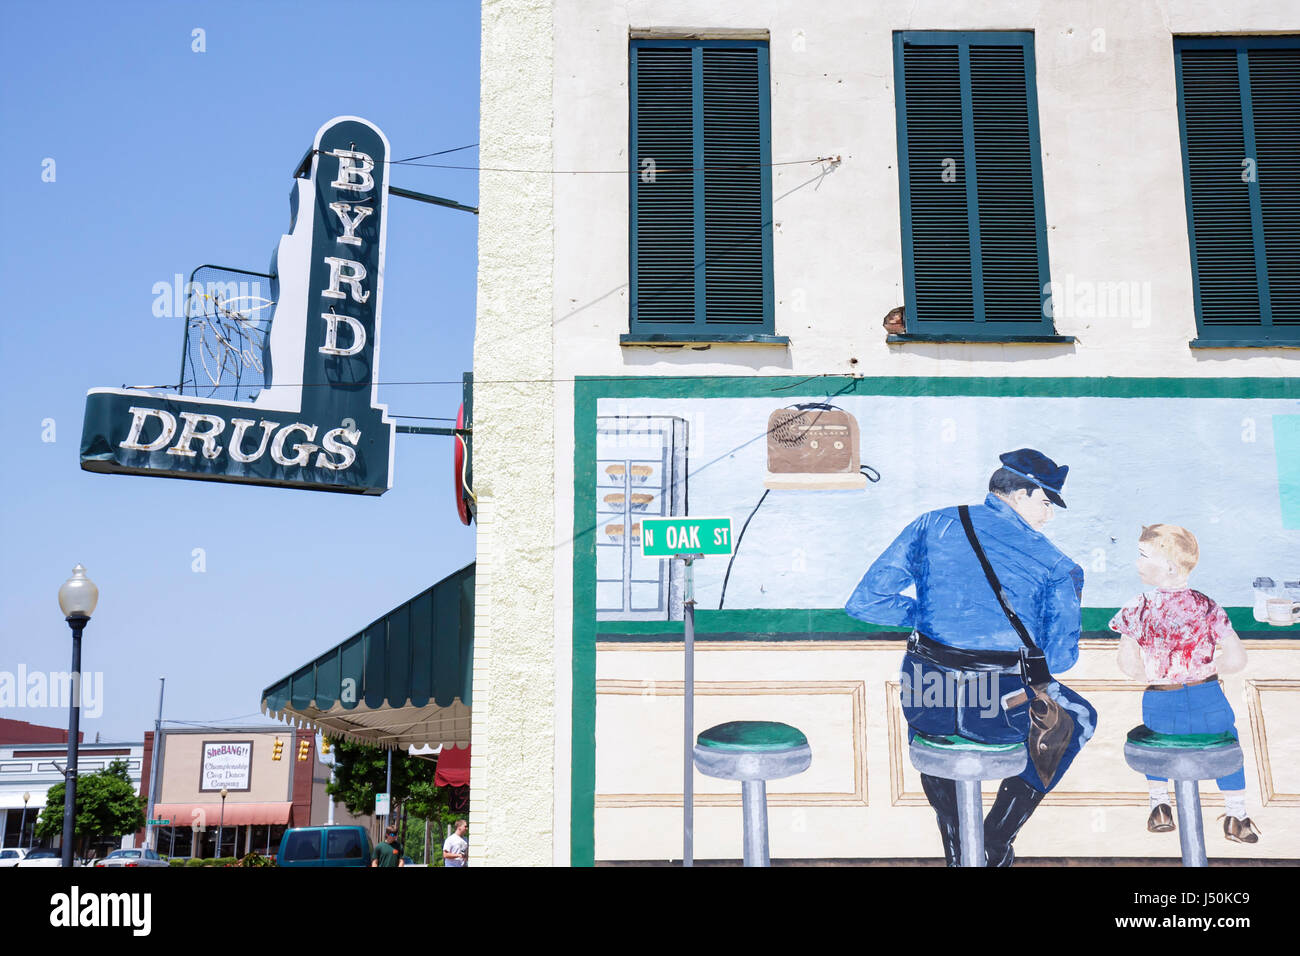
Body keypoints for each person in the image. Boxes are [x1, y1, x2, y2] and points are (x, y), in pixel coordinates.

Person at [845, 448, 1097, 866]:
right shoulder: (1058, 566)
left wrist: (927, 616)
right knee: (1081, 717)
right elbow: (1060, 659)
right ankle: (995, 841)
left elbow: (865, 603)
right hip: (999, 713)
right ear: (1021, 493)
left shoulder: (931, 524)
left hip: (928, 703)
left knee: (928, 700)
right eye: (1046, 502)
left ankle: (957, 844)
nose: (1049, 515)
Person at [1109, 523, 1260, 843]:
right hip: (1208, 696)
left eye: (1143, 555)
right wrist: (1205, 669)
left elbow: (1127, 663)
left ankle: (1160, 806)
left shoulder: (1138, 607)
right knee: (1227, 741)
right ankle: (1236, 815)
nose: (1136, 562)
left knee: (1157, 742)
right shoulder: (1207, 606)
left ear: (1169, 567)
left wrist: (1156, 676)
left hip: (1161, 701)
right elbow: (1237, 659)